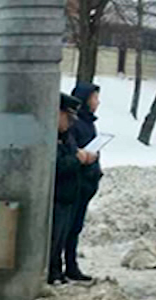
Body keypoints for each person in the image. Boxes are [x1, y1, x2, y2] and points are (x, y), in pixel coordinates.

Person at [51, 94, 96, 285]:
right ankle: (52, 271)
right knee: (53, 238)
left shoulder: (66, 136)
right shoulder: (52, 137)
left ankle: (57, 270)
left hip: (69, 195)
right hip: (58, 195)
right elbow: (57, 165)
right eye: (68, 118)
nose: (70, 123)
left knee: (63, 236)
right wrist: (78, 159)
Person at [66, 82, 103, 281]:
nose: (98, 102)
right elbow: (74, 151)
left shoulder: (89, 123)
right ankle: (64, 265)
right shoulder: (76, 123)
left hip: (87, 182)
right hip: (76, 183)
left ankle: (71, 265)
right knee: (69, 228)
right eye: (95, 98)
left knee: (75, 227)